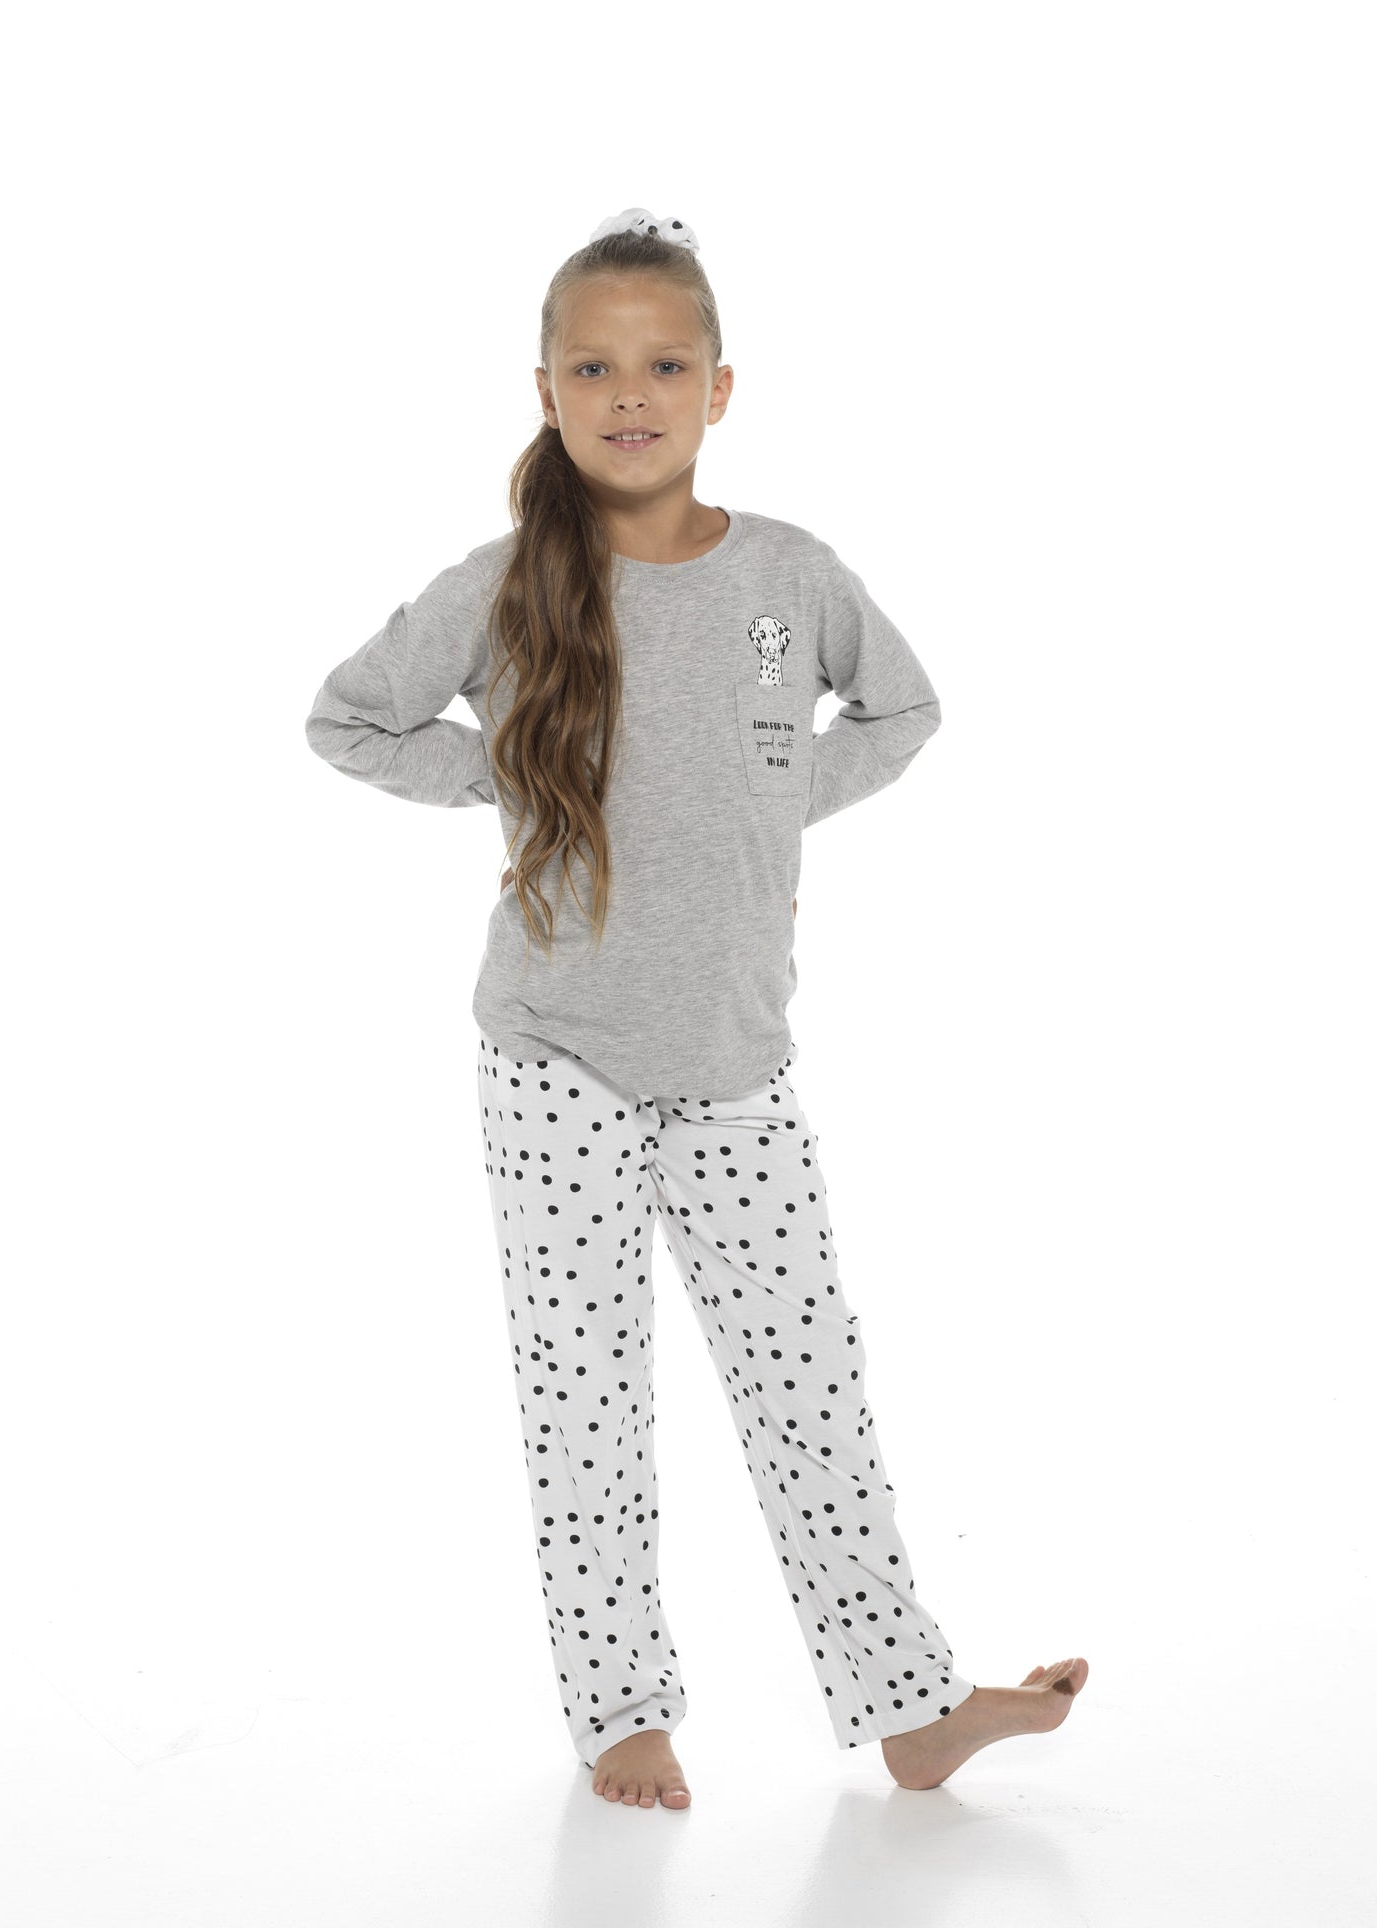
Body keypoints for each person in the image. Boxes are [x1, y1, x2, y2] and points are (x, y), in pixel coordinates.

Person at [304, 206, 1087, 1812]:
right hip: (555, 1060)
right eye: (592, 368)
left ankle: (910, 1704)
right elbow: (350, 720)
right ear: (544, 391)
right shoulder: (502, 587)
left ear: (720, 388)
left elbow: (901, 708)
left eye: (663, 365)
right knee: (585, 1402)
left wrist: (774, 805)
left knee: (811, 1395)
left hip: (735, 1061)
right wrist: (517, 781)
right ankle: (620, 1713)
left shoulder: (787, 577)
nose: (629, 395)